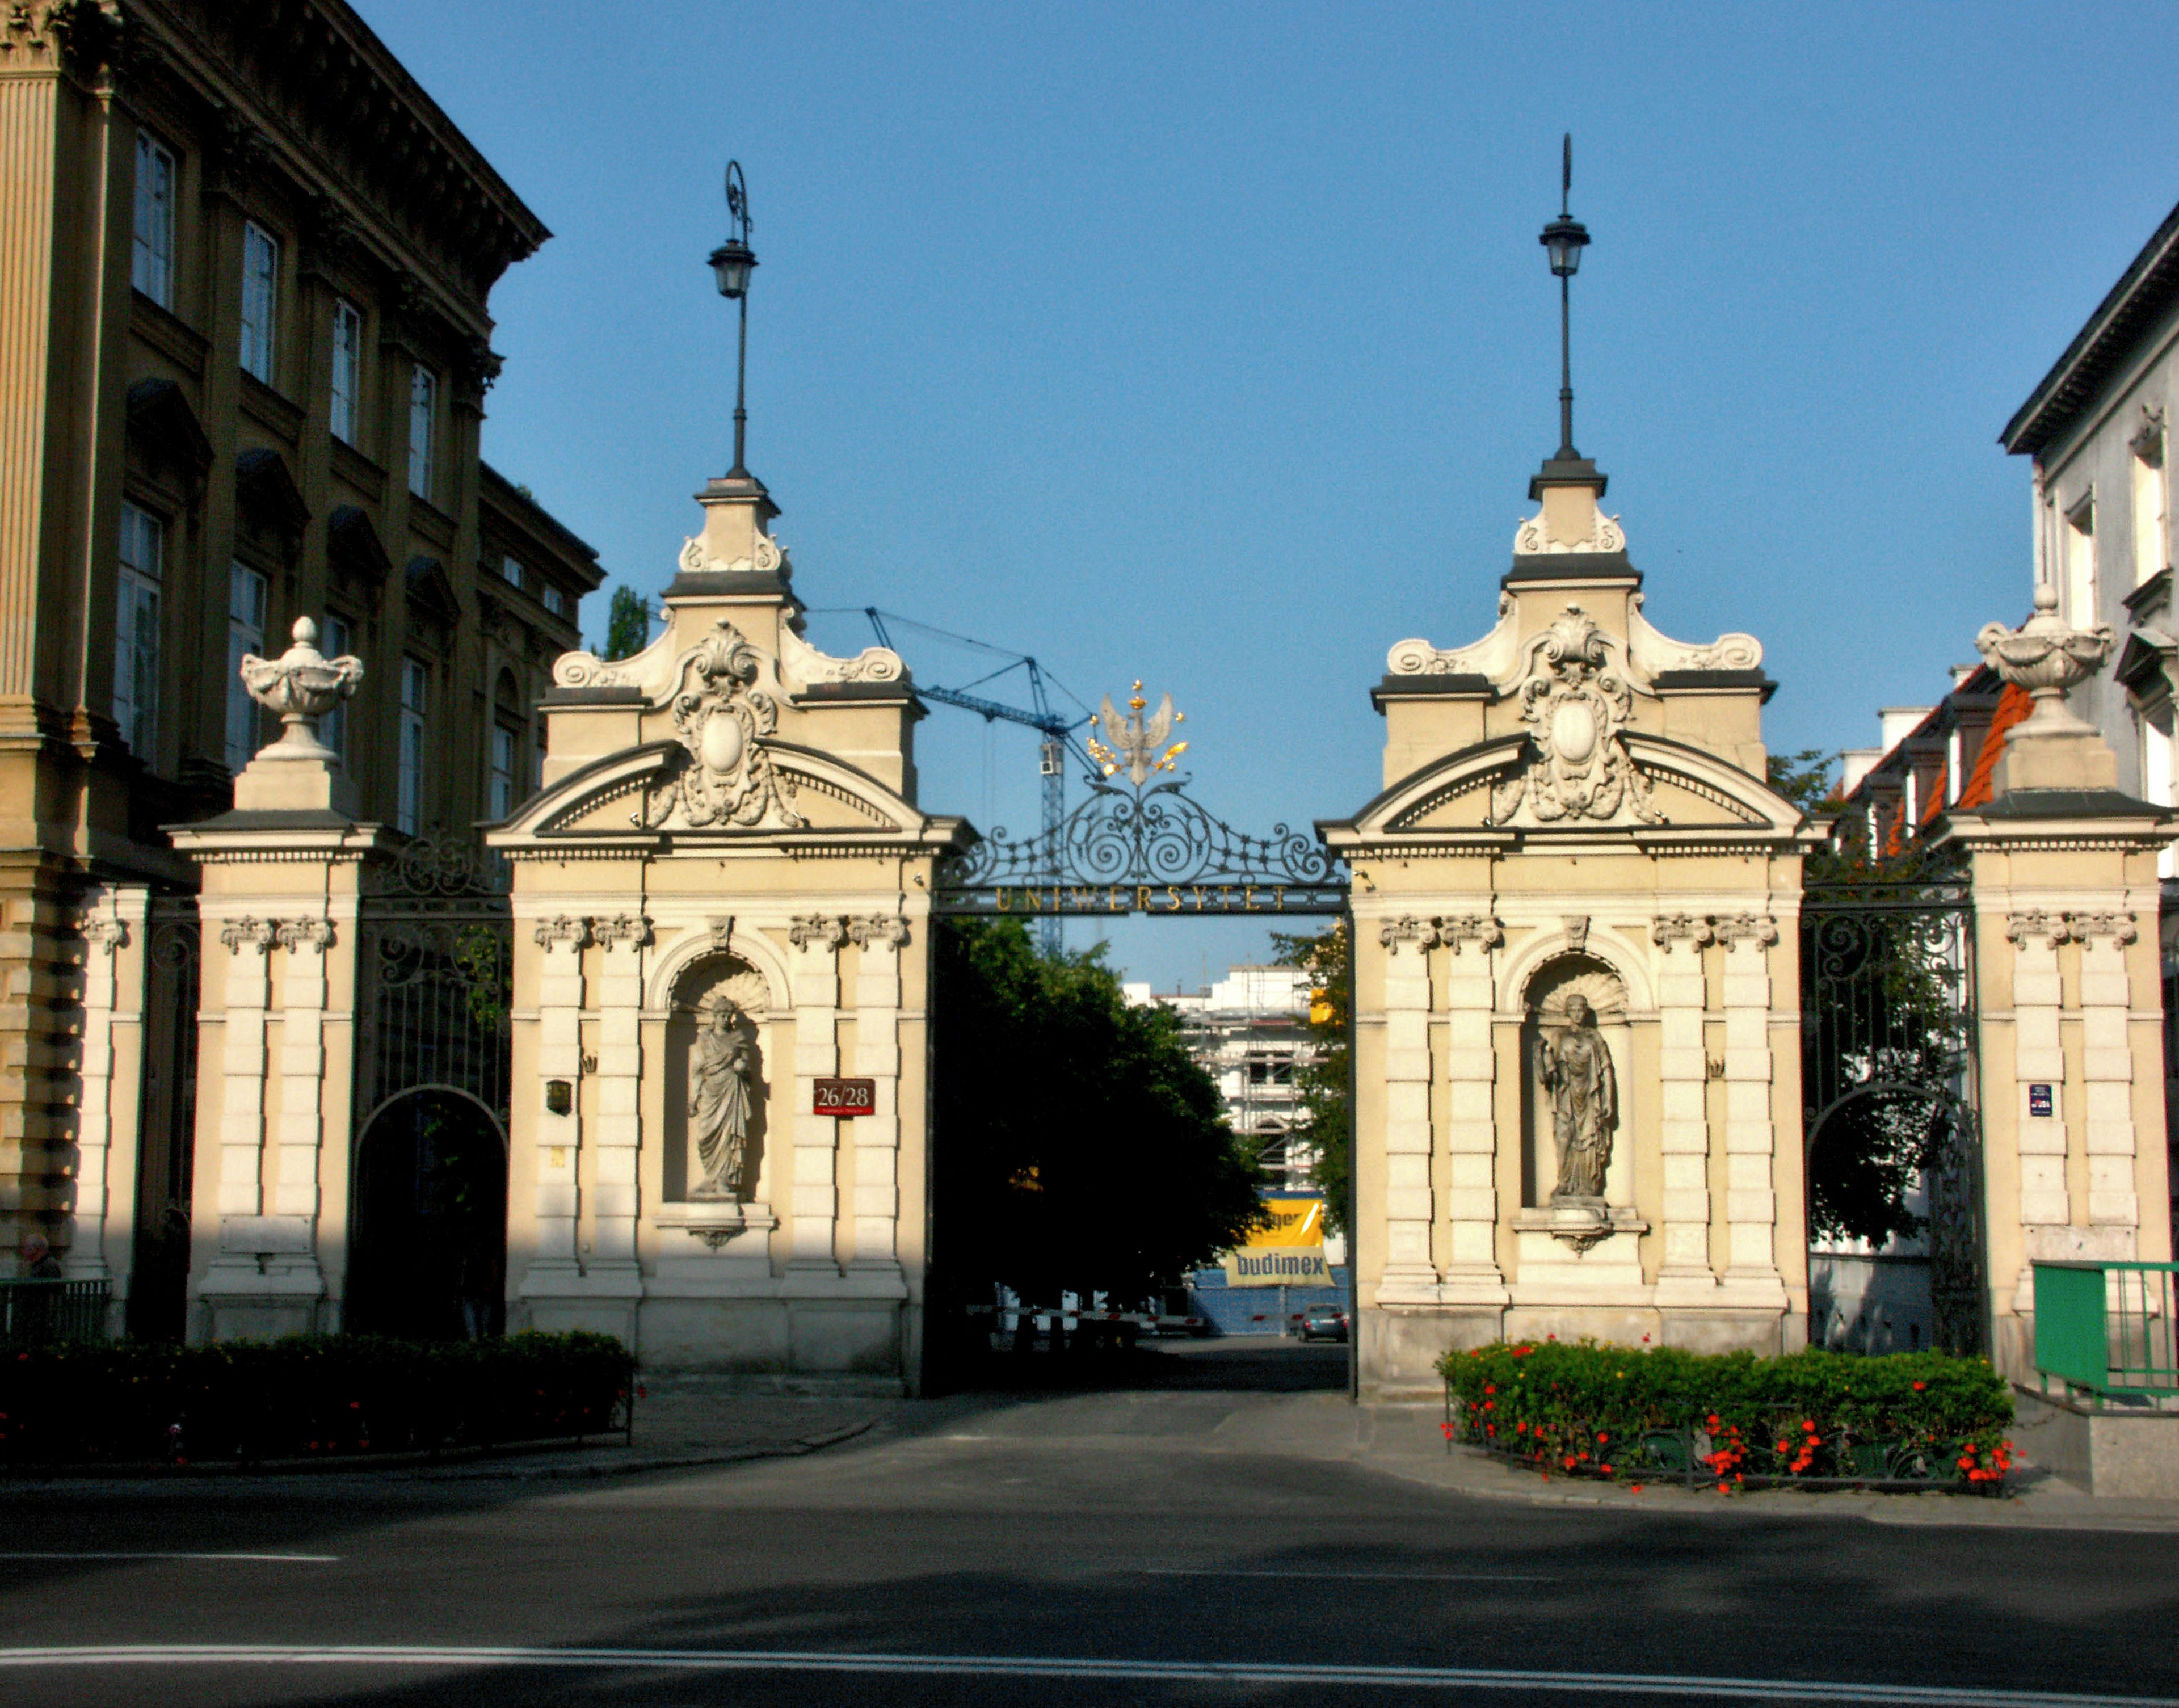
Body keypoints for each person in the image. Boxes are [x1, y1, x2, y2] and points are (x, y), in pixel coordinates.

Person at [1539, 994, 1616, 1202]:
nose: (1577, 1013)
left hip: (1591, 1098)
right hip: (1566, 1095)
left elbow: (1606, 1068)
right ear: (1567, 1012)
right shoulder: (1559, 1036)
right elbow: (1548, 1068)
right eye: (1573, 1009)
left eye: (1581, 1009)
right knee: (1564, 1137)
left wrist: (1608, 1099)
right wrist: (1546, 1063)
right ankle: (1564, 1182)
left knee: (1590, 1139)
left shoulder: (1595, 1038)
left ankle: (1589, 1186)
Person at [689, 1000, 756, 1199]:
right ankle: (711, 1178)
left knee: (729, 1136)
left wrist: (743, 1067)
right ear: (715, 1016)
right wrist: (694, 1098)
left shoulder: (738, 1039)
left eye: (728, 1015)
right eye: (722, 1015)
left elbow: (748, 1069)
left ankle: (725, 1180)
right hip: (711, 1092)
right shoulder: (704, 1040)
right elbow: (698, 1071)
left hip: (731, 1089)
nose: (726, 1019)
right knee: (705, 1136)